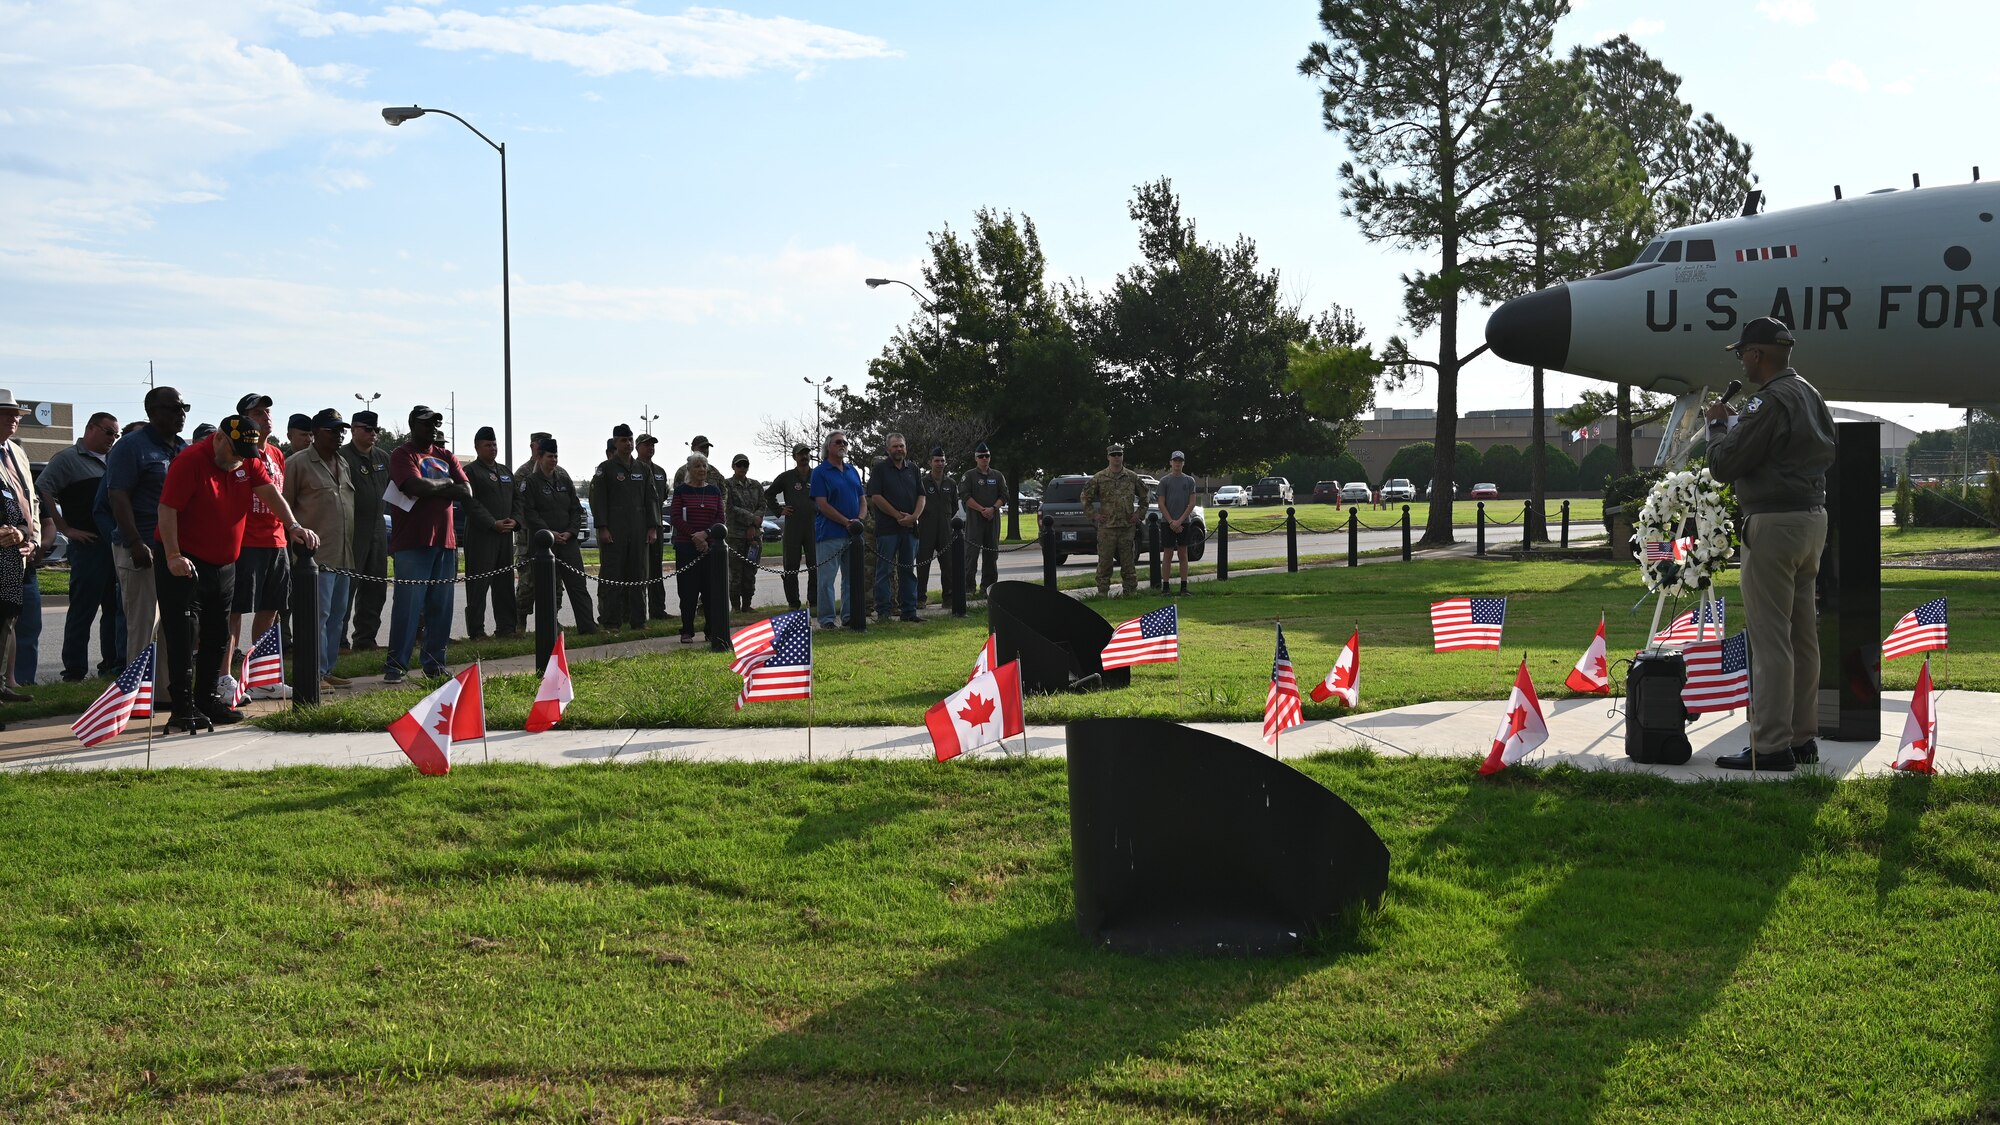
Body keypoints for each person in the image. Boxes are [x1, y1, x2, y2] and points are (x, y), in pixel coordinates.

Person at [1705, 316, 1837, 772]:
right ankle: (1803, 738)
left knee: (1770, 640)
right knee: (1803, 636)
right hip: (1811, 519)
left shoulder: (1768, 401)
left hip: (1774, 523)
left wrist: (1718, 428)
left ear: (1757, 354)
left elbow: (1724, 465)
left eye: (1743, 352)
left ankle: (1771, 744)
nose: (1741, 360)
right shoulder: (1810, 393)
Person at [155, 415, 319, 731]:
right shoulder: (190, 462)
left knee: (217, 636)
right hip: (184, 562)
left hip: (224, 562)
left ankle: (206, 699)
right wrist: (173, 555)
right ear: (218, 439)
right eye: (235, 452)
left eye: (246, 453)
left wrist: (293, 525)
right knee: (184, 635)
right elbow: (167, 509)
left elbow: (270, 494)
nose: (240, 459)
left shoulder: (247, 460)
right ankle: (182, 707)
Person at [98, 387, 189, 668]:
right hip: (140, 546)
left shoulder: (183, 448)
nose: (181, 414)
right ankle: (137, 697)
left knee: (170, 624)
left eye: (184, 408)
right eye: (174, 408)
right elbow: (117, 496)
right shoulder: (131, 446)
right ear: (152, 412)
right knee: (143, 623)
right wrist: (135, 541)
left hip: (173, 548)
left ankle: (162, 695)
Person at [380, 405, 469, 683]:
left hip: (445, 541)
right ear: (412, 424)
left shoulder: (445, 455)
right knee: (408, 606)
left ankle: (434, 663)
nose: (432, 428)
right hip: (412, 542)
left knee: (440, 607)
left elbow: (466, 491)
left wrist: (433, 486)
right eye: (426, 423)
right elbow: (414, 487)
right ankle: (396, 665)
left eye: (436, 423)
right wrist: (446, 484)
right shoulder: (402, 454)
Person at [39, 410, 123, 681]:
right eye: (109, 432)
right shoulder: (67, 459)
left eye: (116, 434)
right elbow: (43, 489)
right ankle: (73, 671)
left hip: (113, 544)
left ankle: (110, 665)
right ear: (90, 428)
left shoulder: (115, 459)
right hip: (87, 546)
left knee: (113, 609)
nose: (113, 438)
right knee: (82, 611)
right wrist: (64, 528)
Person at [223, 392, 291, 701]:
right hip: (245, 541)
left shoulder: (277, 454)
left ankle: (262, 678)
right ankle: (225, 677)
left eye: (268, 411)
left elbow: (278, 495)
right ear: (244, 418)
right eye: (259, 412)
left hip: (275, 540)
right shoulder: (239, 452)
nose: (266, 416)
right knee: (234, 611)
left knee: (270, 609)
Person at [281, 409, 356, 688]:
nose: (339, 436)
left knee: (336, 617)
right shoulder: (297, 463)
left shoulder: (343, 463)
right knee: (316, 617)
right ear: (316, 433)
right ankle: (311, 673)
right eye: (333, 430)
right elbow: (284, 508)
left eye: (341, 431)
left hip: (342, 554)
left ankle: (325, 670)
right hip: (313, 559)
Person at [518, 437, 597, 634]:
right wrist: (549, 533)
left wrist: (571, 531)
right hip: (544, 544)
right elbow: (529, 514)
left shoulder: (563, 480)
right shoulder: (530, 483)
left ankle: (587, 627)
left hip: (567, 542)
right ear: (539, 457)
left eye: (555, 456)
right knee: (545, 588)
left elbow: (576, 509)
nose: (553, 460)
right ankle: (546, 629)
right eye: (549, 456)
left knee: (578, 585)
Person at [590, 423, 658, 631]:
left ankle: (639, 621)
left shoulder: (643, 469)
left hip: (638, 531)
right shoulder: (606, 468)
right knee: (613, 576)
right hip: (614, 531)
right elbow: (597, 499)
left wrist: (652, 527)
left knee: (639, 575)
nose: (627, 444)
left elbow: (651, 499)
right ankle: (611, 622)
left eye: (630, 440)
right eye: (623, 440)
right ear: (615, 442)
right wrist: (602, 527)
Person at [339, 409, 391, 651]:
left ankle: (366, 638)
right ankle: (339, 640)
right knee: (346, 586)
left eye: (376, 430)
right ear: (353, 429)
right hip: (352, 527)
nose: (373, 434)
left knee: (376, 585)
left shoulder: (383, 457)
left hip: (379, 526)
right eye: (367, 429)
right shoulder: (342, 457)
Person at [462, 425, 519, 639]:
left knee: (504, 584)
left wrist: (515, 520)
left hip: (505, 536)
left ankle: (506, 628)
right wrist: (491, 523)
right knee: (478, 584)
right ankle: (477, 631)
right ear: (477, 447)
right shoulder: (470, 472)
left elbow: (517, 501)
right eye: (488, 445)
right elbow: (470, 503)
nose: (493, 448)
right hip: (481, 536)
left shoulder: (505, 471)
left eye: (494, 444)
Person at [0, 390, 38, 703]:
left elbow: (30, 499)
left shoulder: (16, 451)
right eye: (7, 413)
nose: (14, 419)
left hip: (19, 551)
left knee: (9, 618)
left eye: (16, 414)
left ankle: (2, 685)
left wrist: (32, 537)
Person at [866, 433, 925, 624]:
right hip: (888, 530)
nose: (899, 449)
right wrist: (898, 516)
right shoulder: (880, 470)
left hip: (910, 529)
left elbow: (921, 496)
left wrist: (914, 517)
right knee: (884, 571)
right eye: (895, 446)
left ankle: (909, 611)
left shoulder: (913, 469)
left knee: (908, 570)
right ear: (887, 449)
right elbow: (876, 497)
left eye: (901, 446)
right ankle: (884, 612)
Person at [669, 453, 727, 646]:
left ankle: (711, 630)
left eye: (704, 466)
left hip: (710, 549)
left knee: (710, 592)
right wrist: (695, 535)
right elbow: (676, 517)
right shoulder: (681, 491)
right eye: (697, 466)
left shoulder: (714, 491)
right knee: (688, 592)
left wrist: (706, 534)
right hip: (687, 548)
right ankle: (687, 630)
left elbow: (720, 518)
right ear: (689, 470)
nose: (701, 470)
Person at [810, 431, 864, 629]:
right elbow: (822, 504)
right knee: (826, 581)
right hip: (829, 534)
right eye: (838, 442)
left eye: (845, 442)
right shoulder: (820, 472)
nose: (843, 445)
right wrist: (845, 522)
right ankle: (827, 620)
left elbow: (862, 499)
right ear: (828, 447)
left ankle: (849, 616)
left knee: (851, 579)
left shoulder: (852, 471)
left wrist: (858, 521)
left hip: (853, 535)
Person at [1082, 442, 1146, 598]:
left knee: (1128, 563)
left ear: (1123, 456)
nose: (1117, 457)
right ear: (1108, 457)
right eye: (1113, 455)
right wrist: (1094, 515)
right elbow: (1085, 497)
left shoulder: (1131, 477)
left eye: (1119, 454)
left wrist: (1138, 514)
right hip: (1107, 528)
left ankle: (1130, 592)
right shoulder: (1099, 477)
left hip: (1126, 527)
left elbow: (1145, 496)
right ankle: (1102, 592)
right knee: (1105, 562)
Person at [764, 442, 816, 612]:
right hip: (793, 526)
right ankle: (793, 602)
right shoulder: (786, 477)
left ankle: (814, 601)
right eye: (801, 454)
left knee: (815, 564)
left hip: (813, 525)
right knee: (791, 565)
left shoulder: (817, 475)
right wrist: (779, 510)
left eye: (807, 453)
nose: (804, 456)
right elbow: (768, 494)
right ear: (794, 457)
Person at [513, 431, 553, 622]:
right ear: (532, 446)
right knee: (527, 583)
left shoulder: (558, 472)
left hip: (550, 536)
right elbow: (521, 504)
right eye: (539, 444)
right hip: (527, 537)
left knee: (553, 583)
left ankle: (551, 619)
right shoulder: (523, 472)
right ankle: (520, 622)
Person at [915, 446, 961, 611]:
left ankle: (948, 598)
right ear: (930, 462)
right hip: (926, 528)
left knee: (948, 566)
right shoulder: (921, 481)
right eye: (936, 460)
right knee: (923, 565)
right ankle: (920, 598)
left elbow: (954, 506)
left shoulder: (951, 483)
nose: (940, 463)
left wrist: (945, 517)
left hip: (945, 529)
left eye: (942, 460)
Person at [960, 441, 1007, 596]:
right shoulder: (969, 475)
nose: (984, 459)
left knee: (991, 556)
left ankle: (988, 588)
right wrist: (982, 509)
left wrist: (993, 509)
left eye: (987, 456)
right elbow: (965, 496)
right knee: (971, 556)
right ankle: (969, 589)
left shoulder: (998, 475)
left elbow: (1004, 495)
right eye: (981, 456)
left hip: (992, 520)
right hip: (975, 521)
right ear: (976, 458)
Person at [638, 433, 670, 619]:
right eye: (646, 445)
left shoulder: (660, 471)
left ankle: (658, 610)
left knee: (656, 569)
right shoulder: (633, 468)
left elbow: (662, 496)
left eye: (652, 445)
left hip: (656, 525)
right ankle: (637, 612)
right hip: (638, 526)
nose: (650, 448)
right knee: (639, 570)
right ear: (638, 447)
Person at [1157, 450, 1197, 595]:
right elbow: (1161, 504)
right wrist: (1171, 522)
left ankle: (1184, 586)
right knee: (1167, 554)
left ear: (1183, 463)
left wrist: (1180, 521)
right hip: (1167, 522)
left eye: (1180, 461)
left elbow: (1191, 503)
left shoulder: (1189, 481)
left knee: (1183, 554)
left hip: (1184, 522)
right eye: (1175, 461)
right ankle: (1165, 587)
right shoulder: (1164, 481)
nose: (1177, 463)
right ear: (1171, 462)